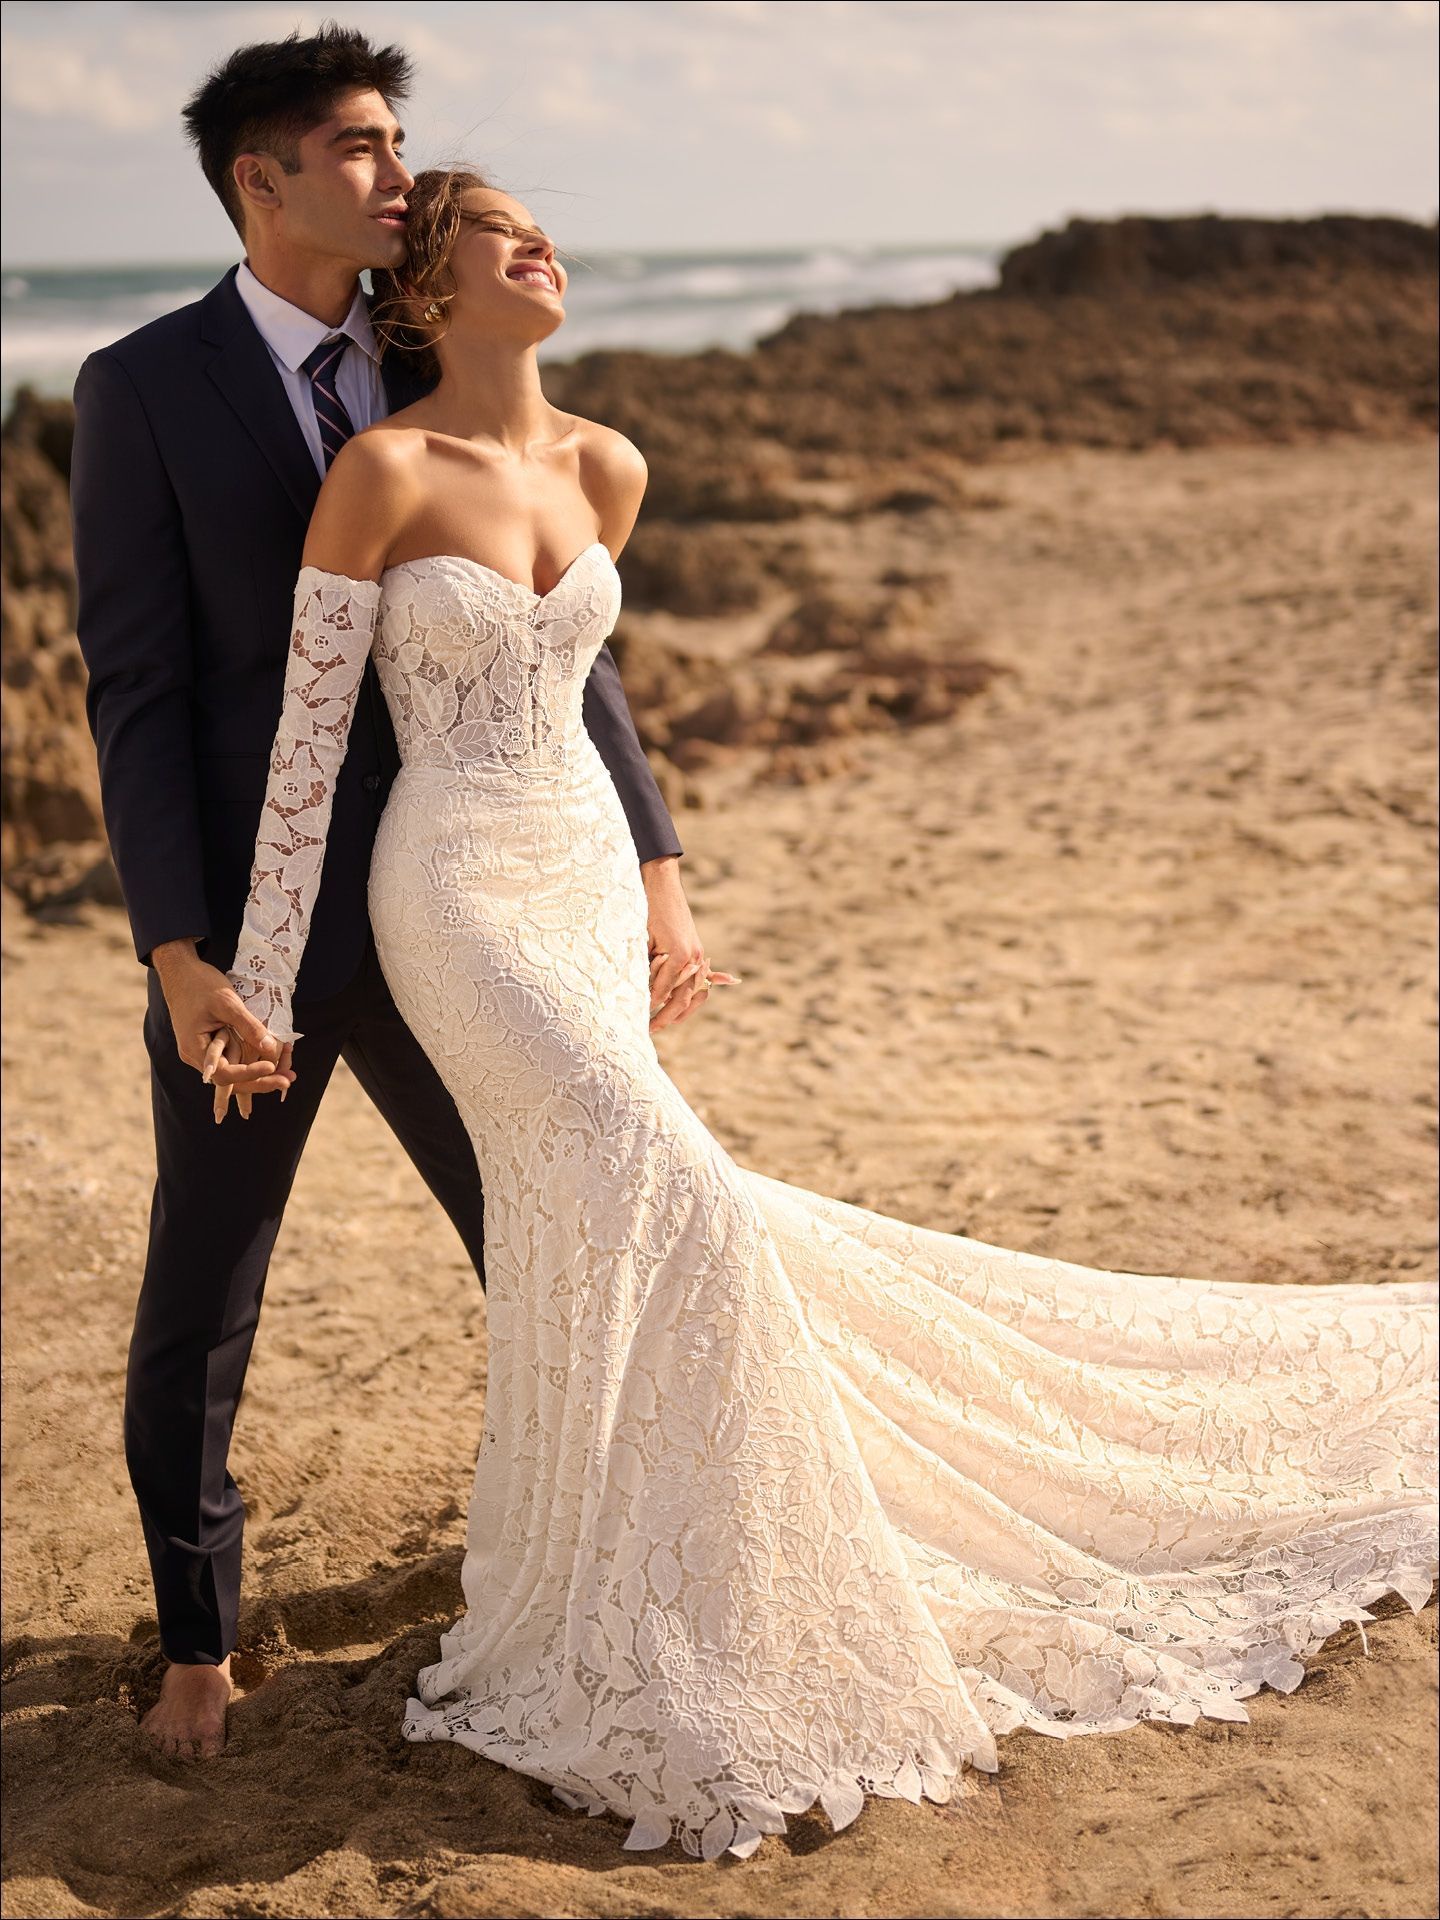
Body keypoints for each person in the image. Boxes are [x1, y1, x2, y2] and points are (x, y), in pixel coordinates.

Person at [221, 153, 1438, 1860]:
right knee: (676, 1196)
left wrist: (663, 881)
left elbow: (601, 698)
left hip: (577, 875)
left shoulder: (612, 464)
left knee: (617, 1216)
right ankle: (671, 1587)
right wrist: (258, 988)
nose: (541, 247)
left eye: (540, 227)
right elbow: (305, 747)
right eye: (503, 236)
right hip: (455, 899)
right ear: (430, 290)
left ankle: (655, 1555)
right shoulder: (379, 470)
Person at [70, 24, 716, 1763]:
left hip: (483, 913)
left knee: (559, 1230)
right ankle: (196, 1635)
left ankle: (614, 1549)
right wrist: (184, 952)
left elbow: (562, 646)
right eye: (354, 146)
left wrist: (656, 862)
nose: (392, 172)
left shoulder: (442, 348)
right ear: (256, 180)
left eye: (394, 139)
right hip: (258, 937)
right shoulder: (142, 387)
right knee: (207, 1280)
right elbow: (132, 686)